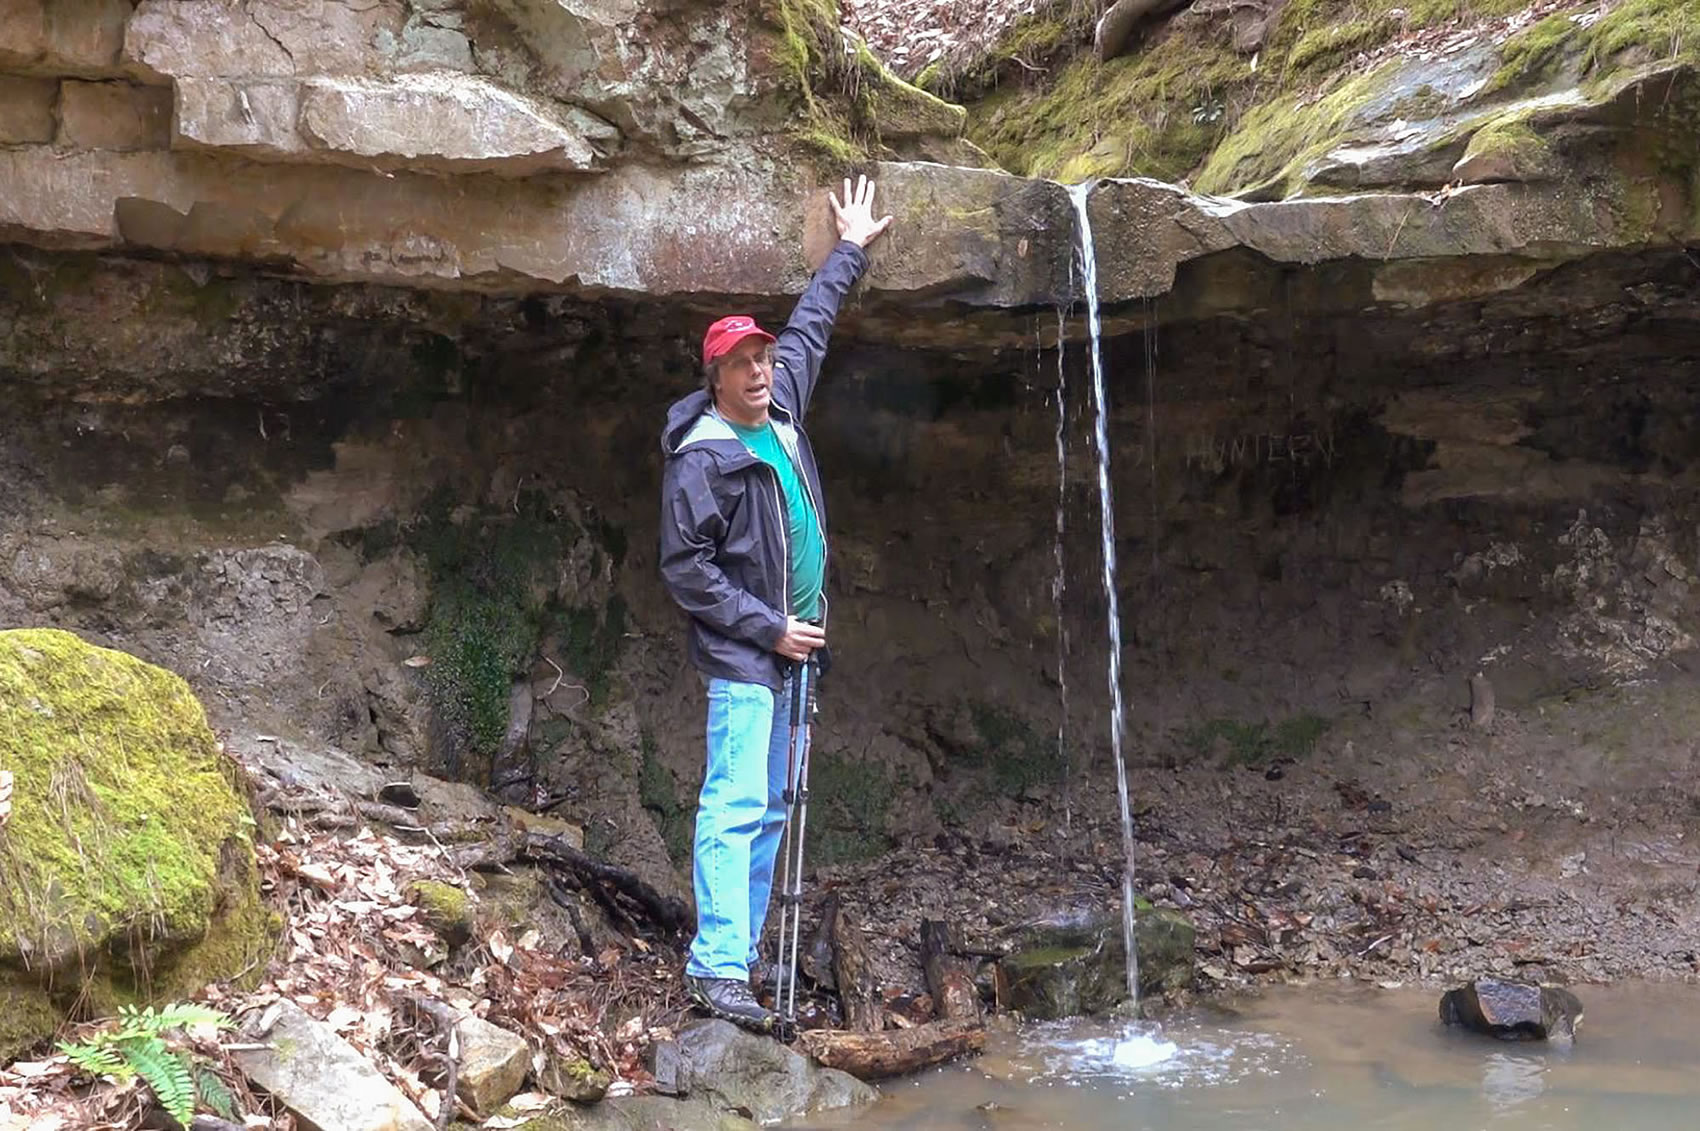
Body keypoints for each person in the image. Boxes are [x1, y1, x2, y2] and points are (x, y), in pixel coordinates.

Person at [658, 175, 893, 1031]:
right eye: (741, 363)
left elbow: (812, 329)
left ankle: (740, 956)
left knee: (777, 806)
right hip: (749, 657)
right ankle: (716, 966)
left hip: (799, 654)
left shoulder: (782, 405)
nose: (759, 370)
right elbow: (685, 570)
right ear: (716, 376)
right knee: (735, 801)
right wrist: (768, 628)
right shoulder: (703, 457)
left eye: (760, 358)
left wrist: (852, 250)